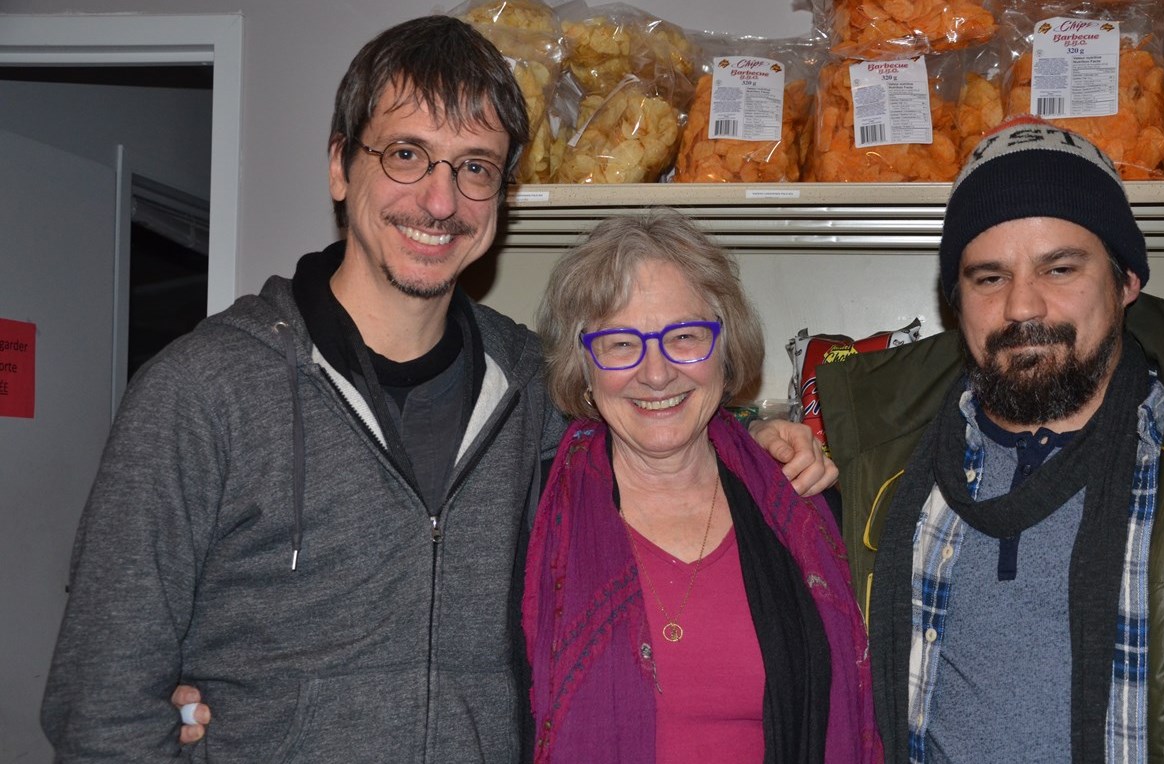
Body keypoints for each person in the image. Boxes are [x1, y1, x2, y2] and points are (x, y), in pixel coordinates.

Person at [40, 16, 831, 761]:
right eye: (406, 155)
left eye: (474, 168)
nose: (440, 201)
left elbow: (654, 413)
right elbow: (100, 708)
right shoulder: (202, 392)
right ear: (339, 165)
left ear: (502, 196)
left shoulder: (533, 386)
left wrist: (757, 439)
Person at [816, 115, 1164, 762]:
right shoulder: (873, 466)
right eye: (988, 277)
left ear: (1126, 282)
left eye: (1059, 269)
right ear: (954, 300)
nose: (1022, 307)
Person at [522, 210, 880, 763]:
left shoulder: (800, 503)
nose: (657, 373)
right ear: (584, 368)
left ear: (725, 351)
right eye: (621, 343)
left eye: (685, 336)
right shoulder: (531, 517)